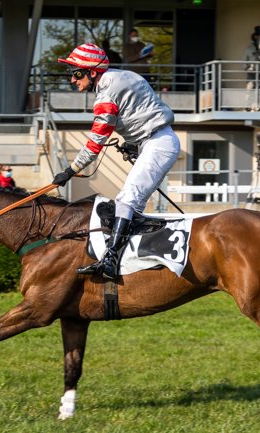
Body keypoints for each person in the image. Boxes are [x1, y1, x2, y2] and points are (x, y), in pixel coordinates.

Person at [53, 43, 179, 280]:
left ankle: (110, 262)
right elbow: (140, 111)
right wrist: (133, 143)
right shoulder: (122, 76)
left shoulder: (106, 93)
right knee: (131, 207)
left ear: (92, 72)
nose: (72, 80)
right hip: (155, 141)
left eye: (76, 73)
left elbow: (96, 142)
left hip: (157, 143)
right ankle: (135, 263)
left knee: (126, 200)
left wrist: (70, 170)